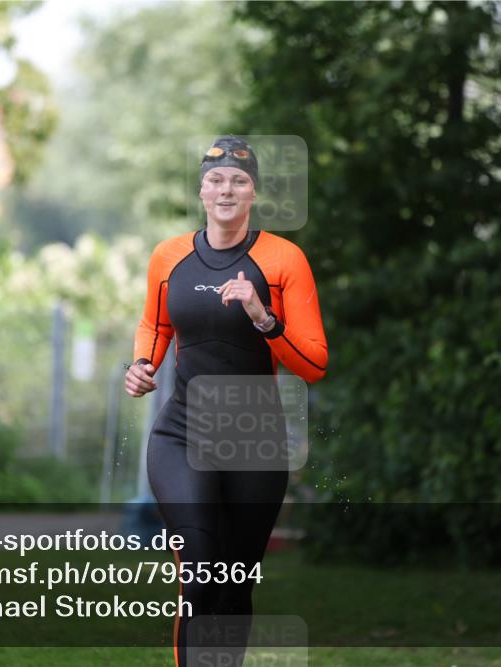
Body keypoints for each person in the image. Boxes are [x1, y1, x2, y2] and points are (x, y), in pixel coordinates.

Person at [125, 135, 327, 667]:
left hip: (255, 443)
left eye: (239, 180)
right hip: (182, 434)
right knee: (198, 576)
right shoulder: (169, 257)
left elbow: (314, 364)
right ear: (201, 189)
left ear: (254, 191)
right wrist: (142, 366)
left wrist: (263, 317)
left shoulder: (284, 259)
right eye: (216, 179)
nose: (226, 189)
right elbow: (155, 323)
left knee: (233, 591)